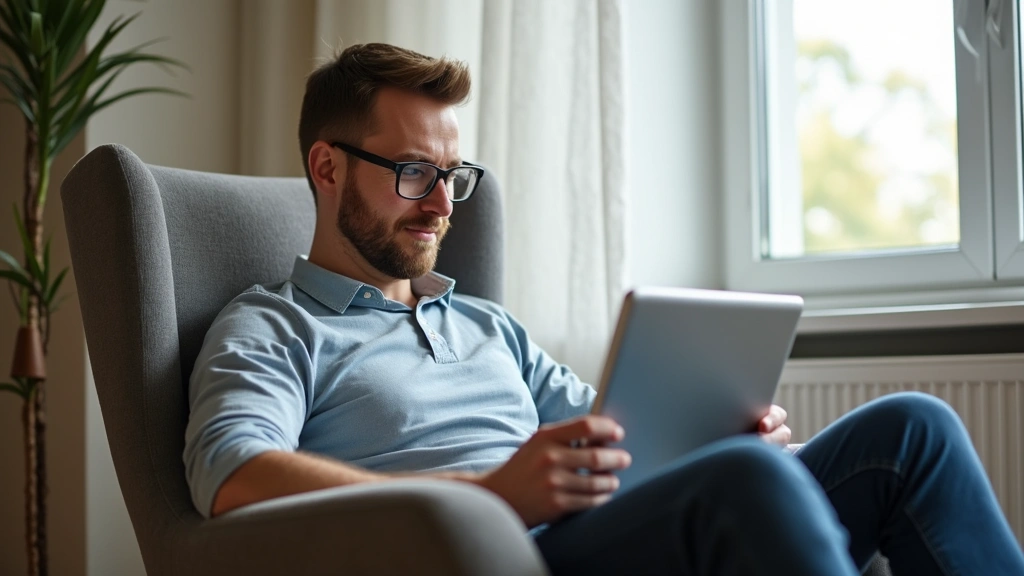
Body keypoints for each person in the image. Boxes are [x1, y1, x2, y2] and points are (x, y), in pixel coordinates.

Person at [184, 43, 1024, 575]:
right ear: (327, 169)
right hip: (499, 554)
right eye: (414, 173)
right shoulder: (273, 325)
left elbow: (614, 432)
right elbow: (233, 472)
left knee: (912, 430)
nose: (443, 204)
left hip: (614, 529)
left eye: (454, 176)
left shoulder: (486, 326)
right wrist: (489, 494)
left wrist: (708, 431)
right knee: (744, 482)